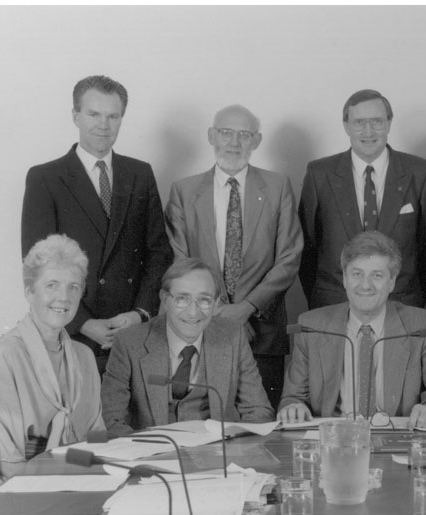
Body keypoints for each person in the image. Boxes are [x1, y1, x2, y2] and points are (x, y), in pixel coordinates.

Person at [21, 75, 173, 372]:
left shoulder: (139, 174)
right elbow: (35, 264)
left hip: (131, 332)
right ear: (75, 115)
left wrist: (140, 314)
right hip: (72, 330)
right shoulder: (46, 178)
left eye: (113, 116)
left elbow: (159, 252)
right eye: (93, 114)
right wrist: (84, 322)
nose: (103, 125)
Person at [166, 104, 303, 406]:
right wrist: (216, 309)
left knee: (262, 421)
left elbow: (289, 257)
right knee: (204, 423)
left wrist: (246, 307)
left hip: (263, 332)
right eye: (226, 133)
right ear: (211, 135)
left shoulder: (278, 187)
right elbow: (179, 261)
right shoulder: (184, 192)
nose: (234, 142)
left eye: (244, 135)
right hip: (201, 327)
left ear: (257, 141)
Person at [278, 231, 426, 428]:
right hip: (335, 438)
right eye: (357, 274)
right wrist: (294, 407)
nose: (366, 285)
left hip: (396, 438)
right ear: (345, 279)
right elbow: (293, 397)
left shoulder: (423, 326)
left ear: (392, 282)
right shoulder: (311, 326)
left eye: (377, 275)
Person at [0, 236, 104, 488]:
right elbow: (7, 465)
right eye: (52, 285)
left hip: (76, 483)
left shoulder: (85, 356)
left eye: (73, 287)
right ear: (29, 291)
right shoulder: (4, 356)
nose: (64, 297)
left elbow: (96, 441)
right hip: (17, 493)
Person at [299, 89, 426, 309]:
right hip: (333, 304)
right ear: (346, 126)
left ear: (389, 123)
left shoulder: (420, 172)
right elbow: (307, 249)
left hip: (401, 304)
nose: (368, 131)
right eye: (359, 122)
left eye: (376, 121)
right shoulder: (319, 174)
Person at [101, 258, 273, 435]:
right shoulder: (129, 342)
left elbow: (259, 412)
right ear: (165, 299)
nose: (193, 312)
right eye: (182, 299)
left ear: (215, 305)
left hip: (219, 454)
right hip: (155, 454)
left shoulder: (232, 335)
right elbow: (111, 421)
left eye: (204, 300)